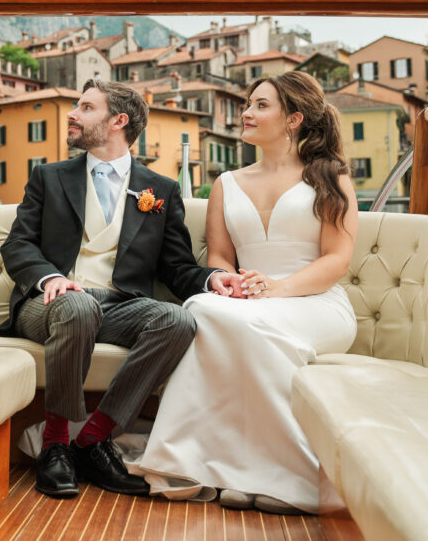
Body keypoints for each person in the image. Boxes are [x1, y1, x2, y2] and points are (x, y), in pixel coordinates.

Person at [133, 70, 358, 515]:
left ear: (293, 119)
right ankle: (236, 469)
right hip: (248, 301)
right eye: (248, 104)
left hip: (316, 302)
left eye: (260, 105)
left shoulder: (331, 177)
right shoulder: (226, 183)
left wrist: (278, 289)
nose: (246, 113)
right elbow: (219, 257)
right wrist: (231, 284)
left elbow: (337, 261)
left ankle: (291, 473)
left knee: (243, 324)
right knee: (200, 304)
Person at [0, 79, 232, 499]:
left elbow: (176, 268)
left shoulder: (160, 190)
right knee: (77, 306)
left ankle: (92, 440)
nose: (72, 113)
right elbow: (17, 244)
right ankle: (55, 444)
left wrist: (212, 279)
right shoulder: (48, 177)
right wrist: (51, 277)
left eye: (86, 107)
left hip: (120, 306)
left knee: (178, 319)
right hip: (49, 305)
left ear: (117, 121)